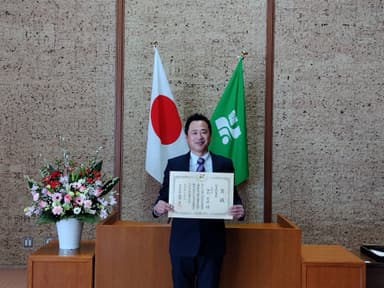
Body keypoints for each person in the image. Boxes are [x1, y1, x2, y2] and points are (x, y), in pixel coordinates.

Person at [152, 113, 245, 288]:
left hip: (213, 243)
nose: (199, 137)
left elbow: (233, 197)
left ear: (210, 136)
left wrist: (240, 210)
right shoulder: (175, 165)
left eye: (204, 132)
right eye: (194, 133)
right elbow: (163, 196)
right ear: (187, 137)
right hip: (182, 242)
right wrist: (158, 208)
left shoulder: (224, 164)